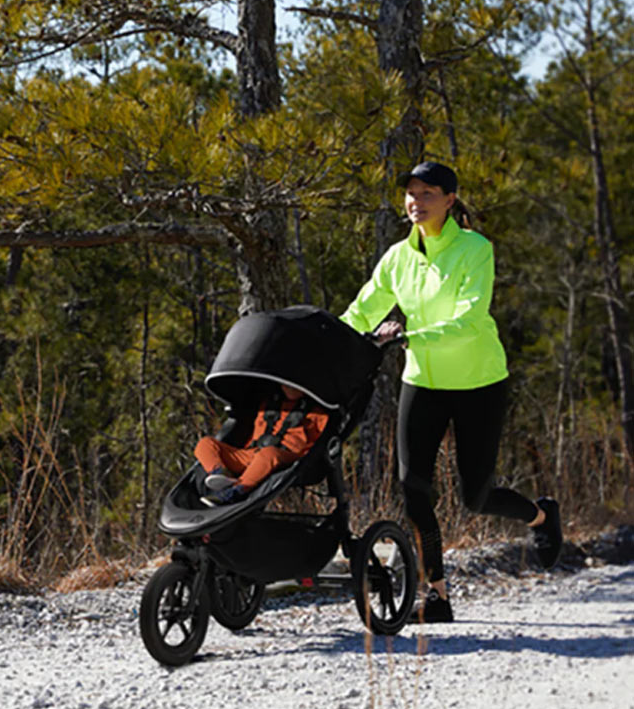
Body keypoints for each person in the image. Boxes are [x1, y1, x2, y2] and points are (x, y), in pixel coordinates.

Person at [341, 160, 563, 623]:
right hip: (422, 380)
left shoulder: (475, 250)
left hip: (478, 381)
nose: (415, 202)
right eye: (410, 193)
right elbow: (362, 311)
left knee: (475, 496)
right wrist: (329, 340)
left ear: (450, 200)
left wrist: (408, 338)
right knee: (413, 486)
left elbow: (469, 317)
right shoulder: (398, 257)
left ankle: (541, 517)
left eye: (426, 194)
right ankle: (437, 596)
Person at [195, 383, 329, 506]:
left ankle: (236, 491)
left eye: (293, 386)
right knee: (205, 444)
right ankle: (222, 474)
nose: (288, 388)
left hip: (286, 456)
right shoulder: (268, 403)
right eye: (285, 385)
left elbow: (319, 442)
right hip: (253, 453)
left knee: (268, 453)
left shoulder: (318, 412)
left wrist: (308, 459)